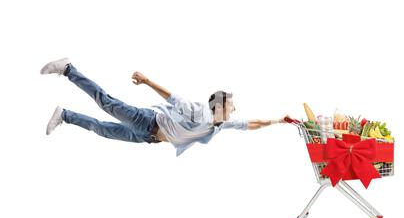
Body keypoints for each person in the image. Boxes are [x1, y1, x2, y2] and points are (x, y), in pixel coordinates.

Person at [41, 58, 289, 156]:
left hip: (149, 137)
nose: (234, 110)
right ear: (219, 106)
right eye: (231, 106)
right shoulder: (197, 111)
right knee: (106, 103)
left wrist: (278, 120)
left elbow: (251, 124)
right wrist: (147, 81)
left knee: (102, 129)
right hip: (147, 121)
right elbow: (172, 97)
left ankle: (65, 115)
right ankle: (67, 69)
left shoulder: (220, 125)